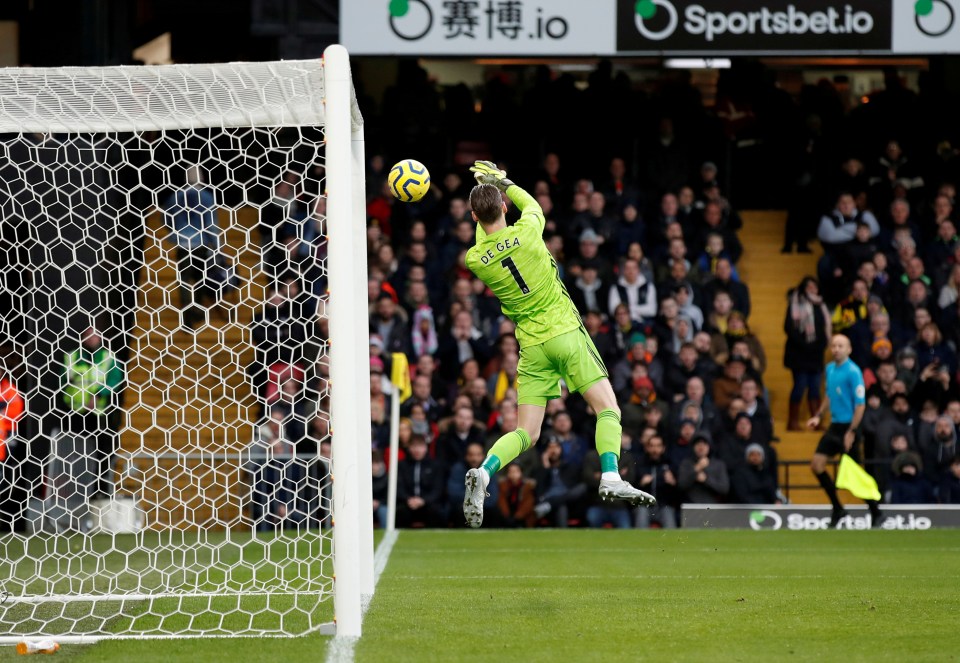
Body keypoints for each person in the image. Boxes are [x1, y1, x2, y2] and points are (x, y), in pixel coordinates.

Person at [461, 161, 655, 528]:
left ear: (473, 215)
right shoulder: (530, 230)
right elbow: (531, 203)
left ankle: (485, 472)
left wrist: (483, 200)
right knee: (608, 408)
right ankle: (611, 475)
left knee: (526, 433)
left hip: (531, 348)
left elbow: (486, 239)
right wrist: (503, 182)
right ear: (505, 207)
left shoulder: (475, 259)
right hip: (565, 334)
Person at [806, 335, 883, 527]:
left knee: (854, 475)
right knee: (816, 465)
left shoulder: (853, 372)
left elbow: (860, 406)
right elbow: (830, 395)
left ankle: (876, 510)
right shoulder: (830, 368)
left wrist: (852, 431)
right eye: (834, 345)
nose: (836, 349)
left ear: (849, 349)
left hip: (849, 427)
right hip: (834, 425)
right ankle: (837, 507)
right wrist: (818, 415)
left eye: (840, 346)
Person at [61, 326, 124, 498]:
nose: (92, 339)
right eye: (88, 335)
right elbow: (62, 382)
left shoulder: (107, 357)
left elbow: (115, 379)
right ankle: (73, 492)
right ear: (82, 338)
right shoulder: (71, 357)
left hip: (99, 414)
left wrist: (98, 395)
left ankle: (99, 491)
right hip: (74, 413)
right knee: (75, 453)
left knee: (102, 452)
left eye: (95, 335)